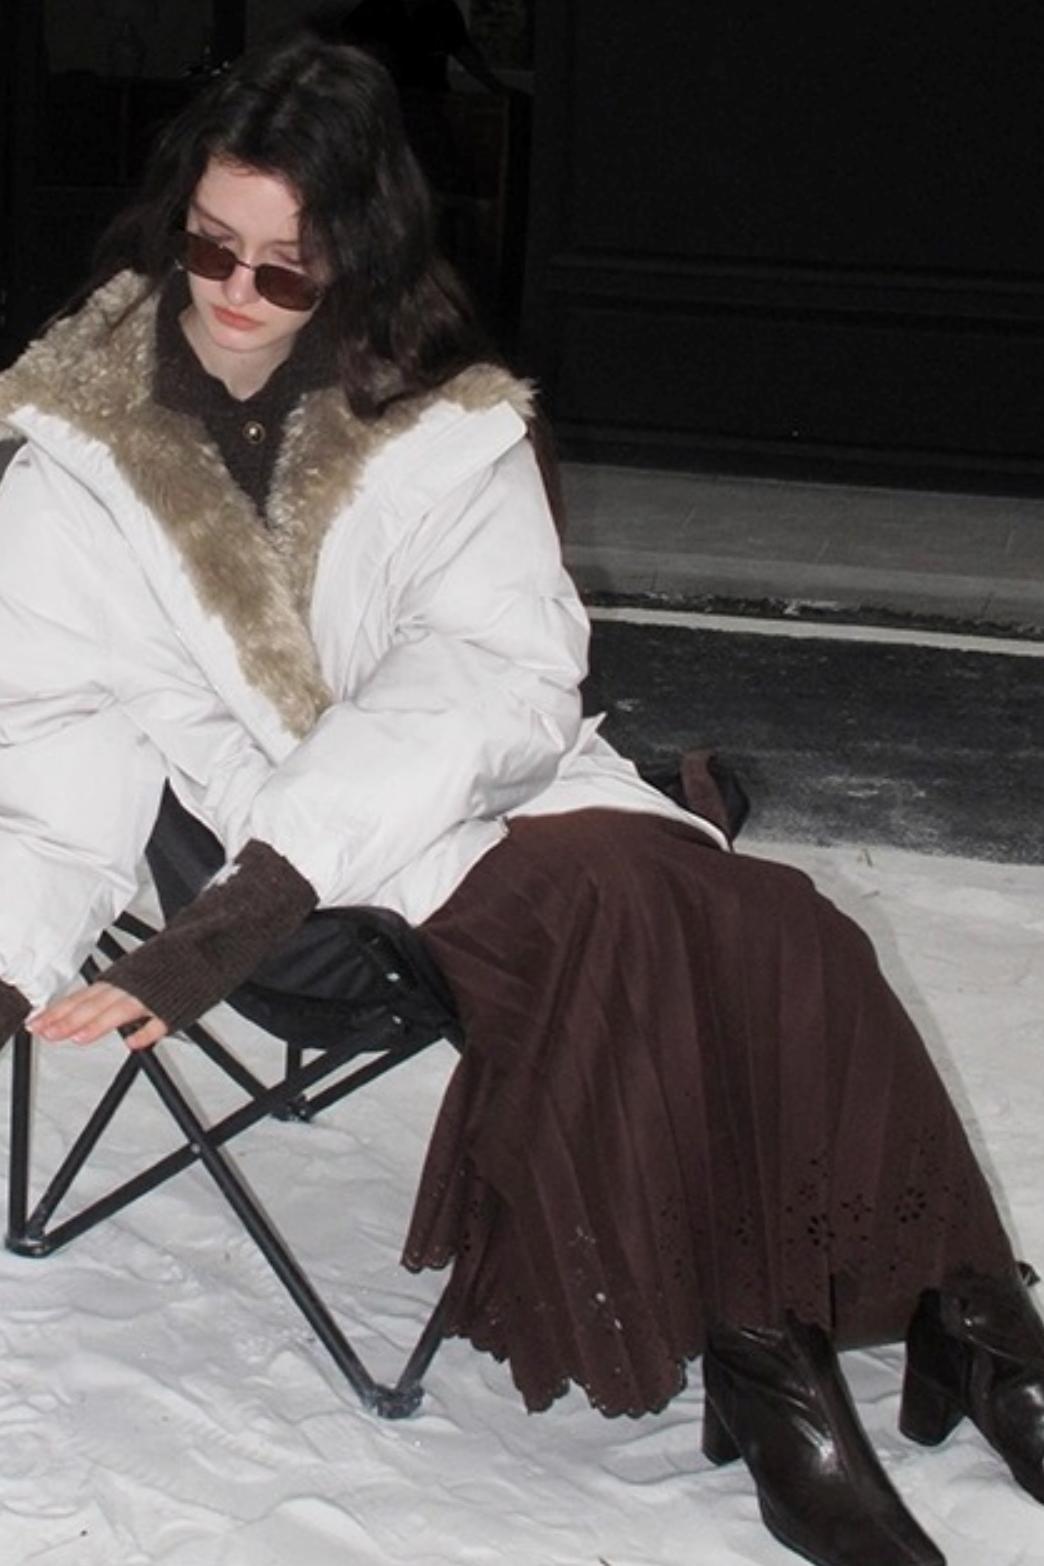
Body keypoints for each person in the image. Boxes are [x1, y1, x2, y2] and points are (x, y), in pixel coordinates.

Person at [0, 35, 1041, 1566]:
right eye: (211, 247)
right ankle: (812, 1365)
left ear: (361, 259)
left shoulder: (443, 426)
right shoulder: (79, 467)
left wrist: (287, 865)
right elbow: (45, 754)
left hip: (484, 791)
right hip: (312, 887)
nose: (236, 293)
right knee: (654, 914)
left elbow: (497, 677)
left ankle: (950, 1326)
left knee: (784, 921)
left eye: (287, 267)